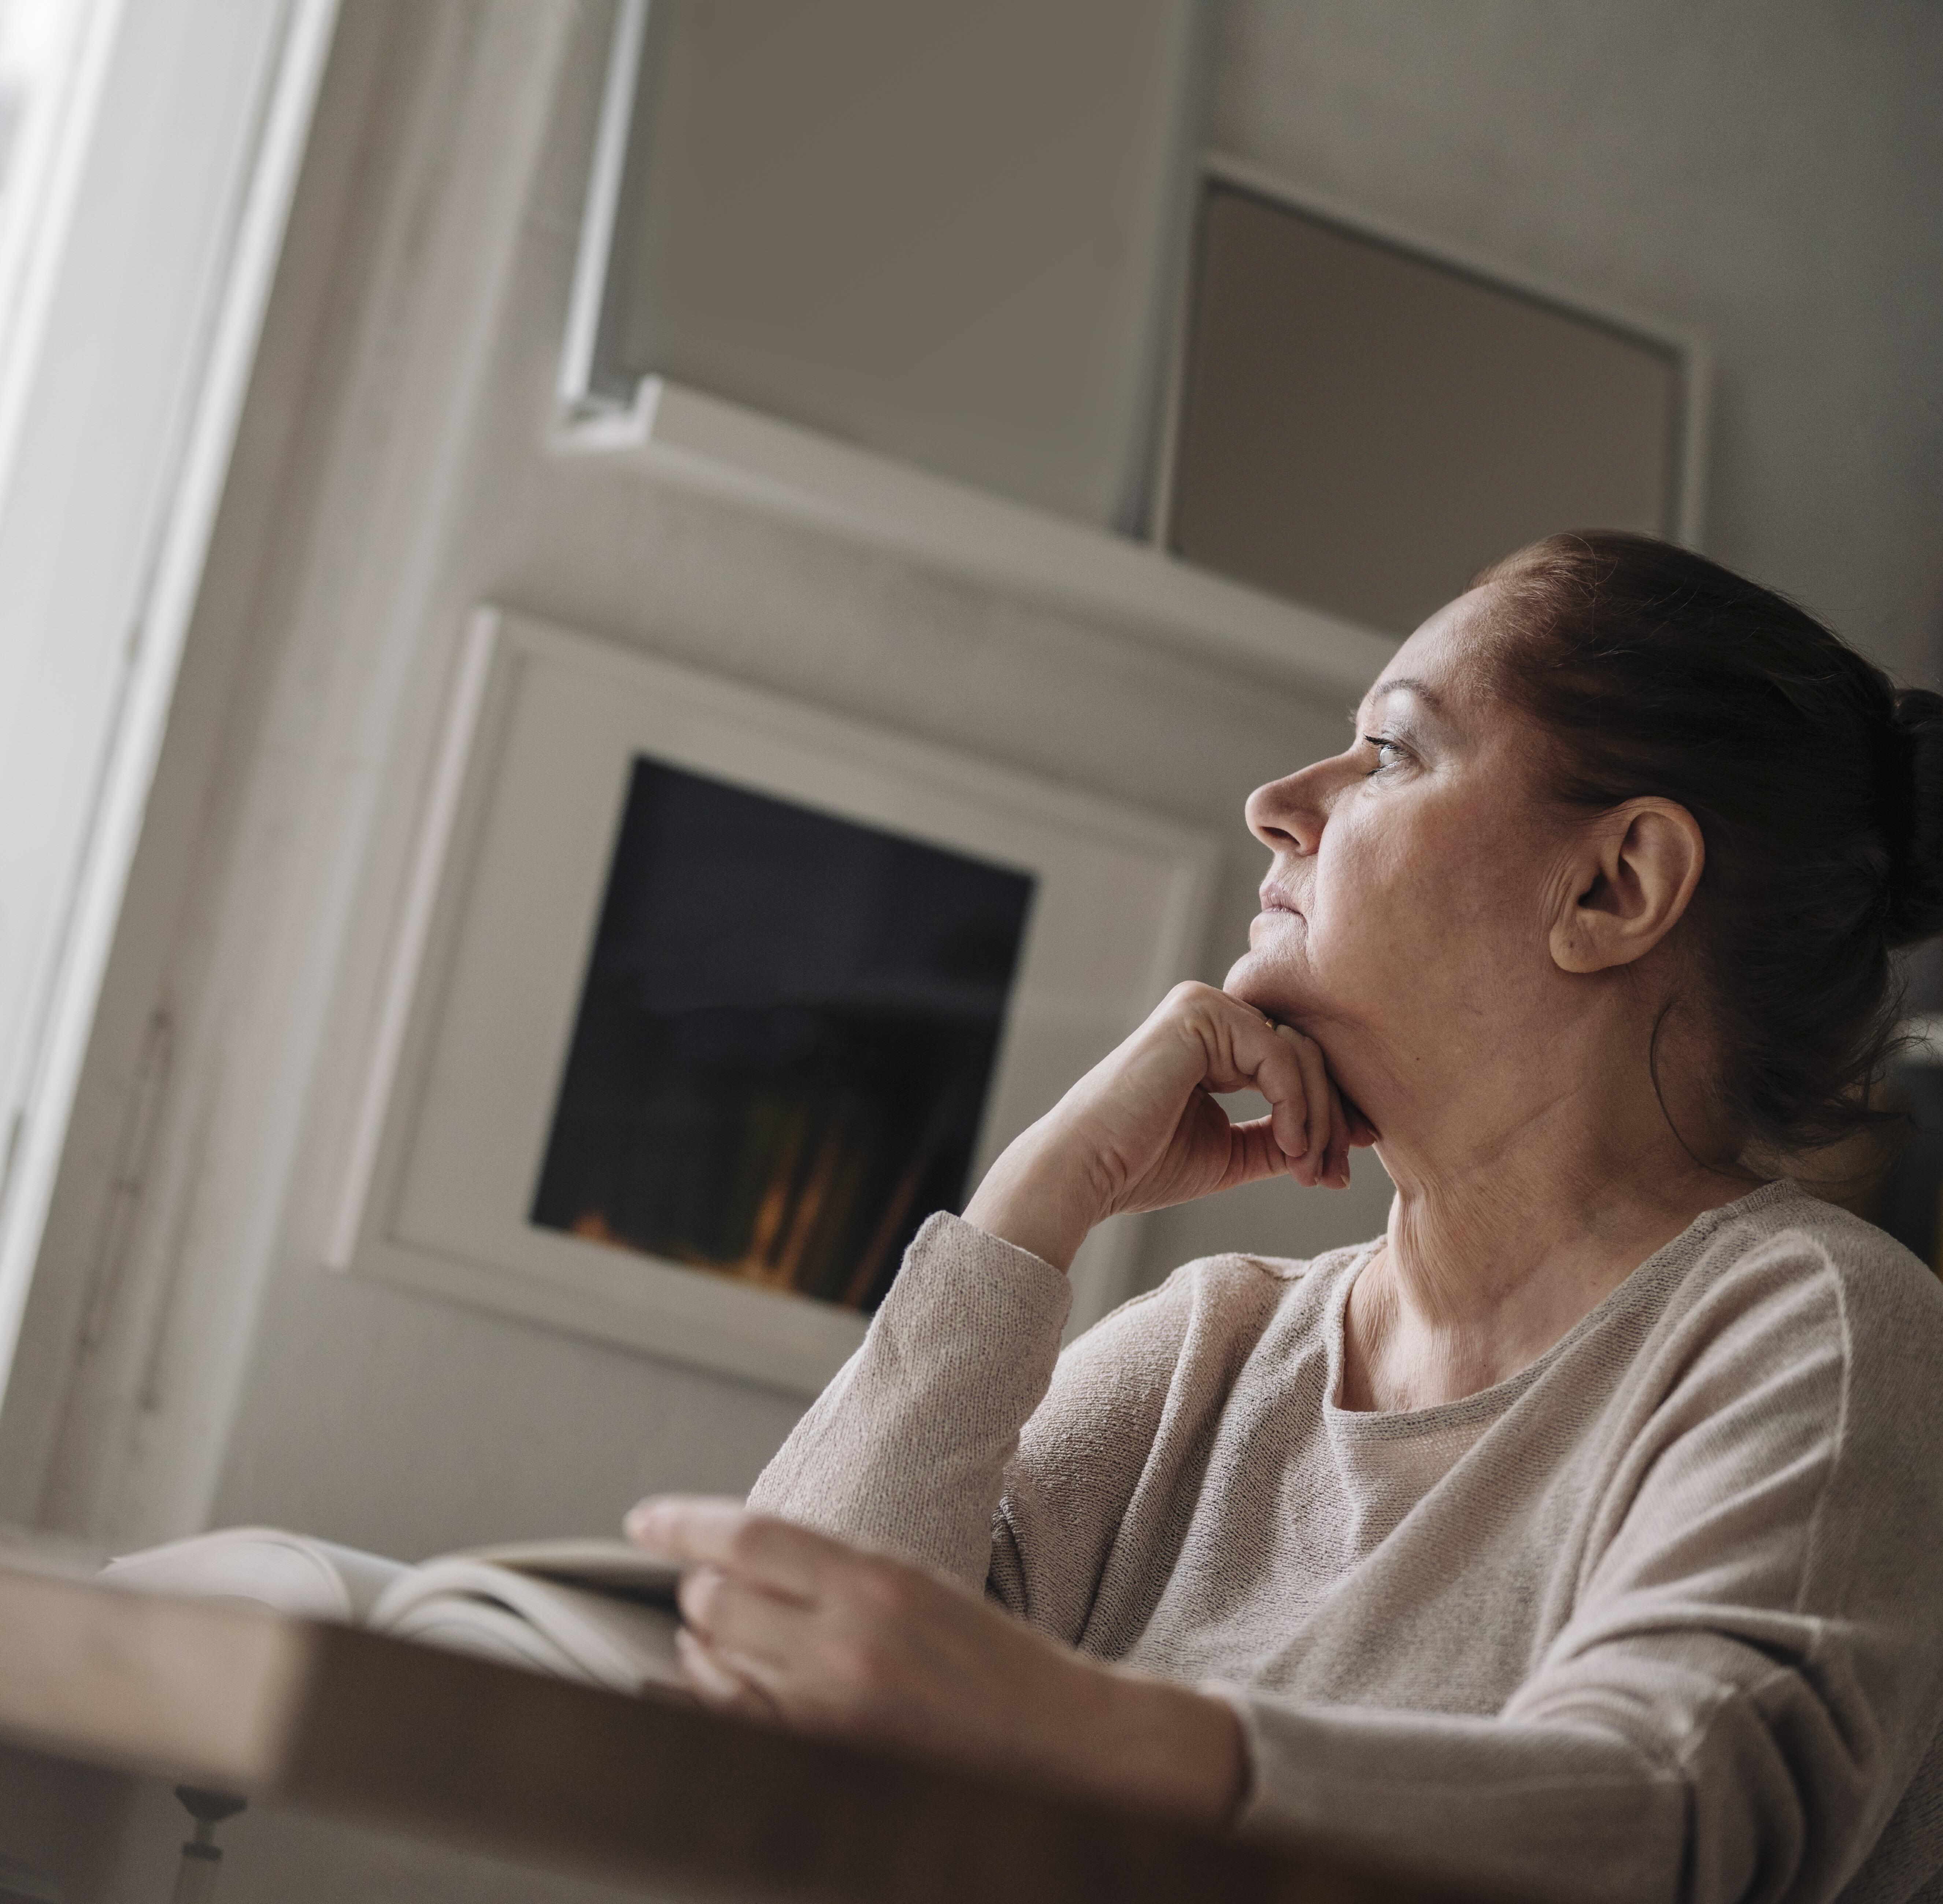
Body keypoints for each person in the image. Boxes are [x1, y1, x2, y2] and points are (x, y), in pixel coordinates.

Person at [627, 532, 1943, 1904]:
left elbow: (1674, 1826)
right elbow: (772, 1745)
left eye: (1391, 753)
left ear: (1614, 886)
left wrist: (1072, 1731)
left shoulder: (1819, 1334)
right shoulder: (1209, 1352)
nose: (1275, 804)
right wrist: (1028, 1209)